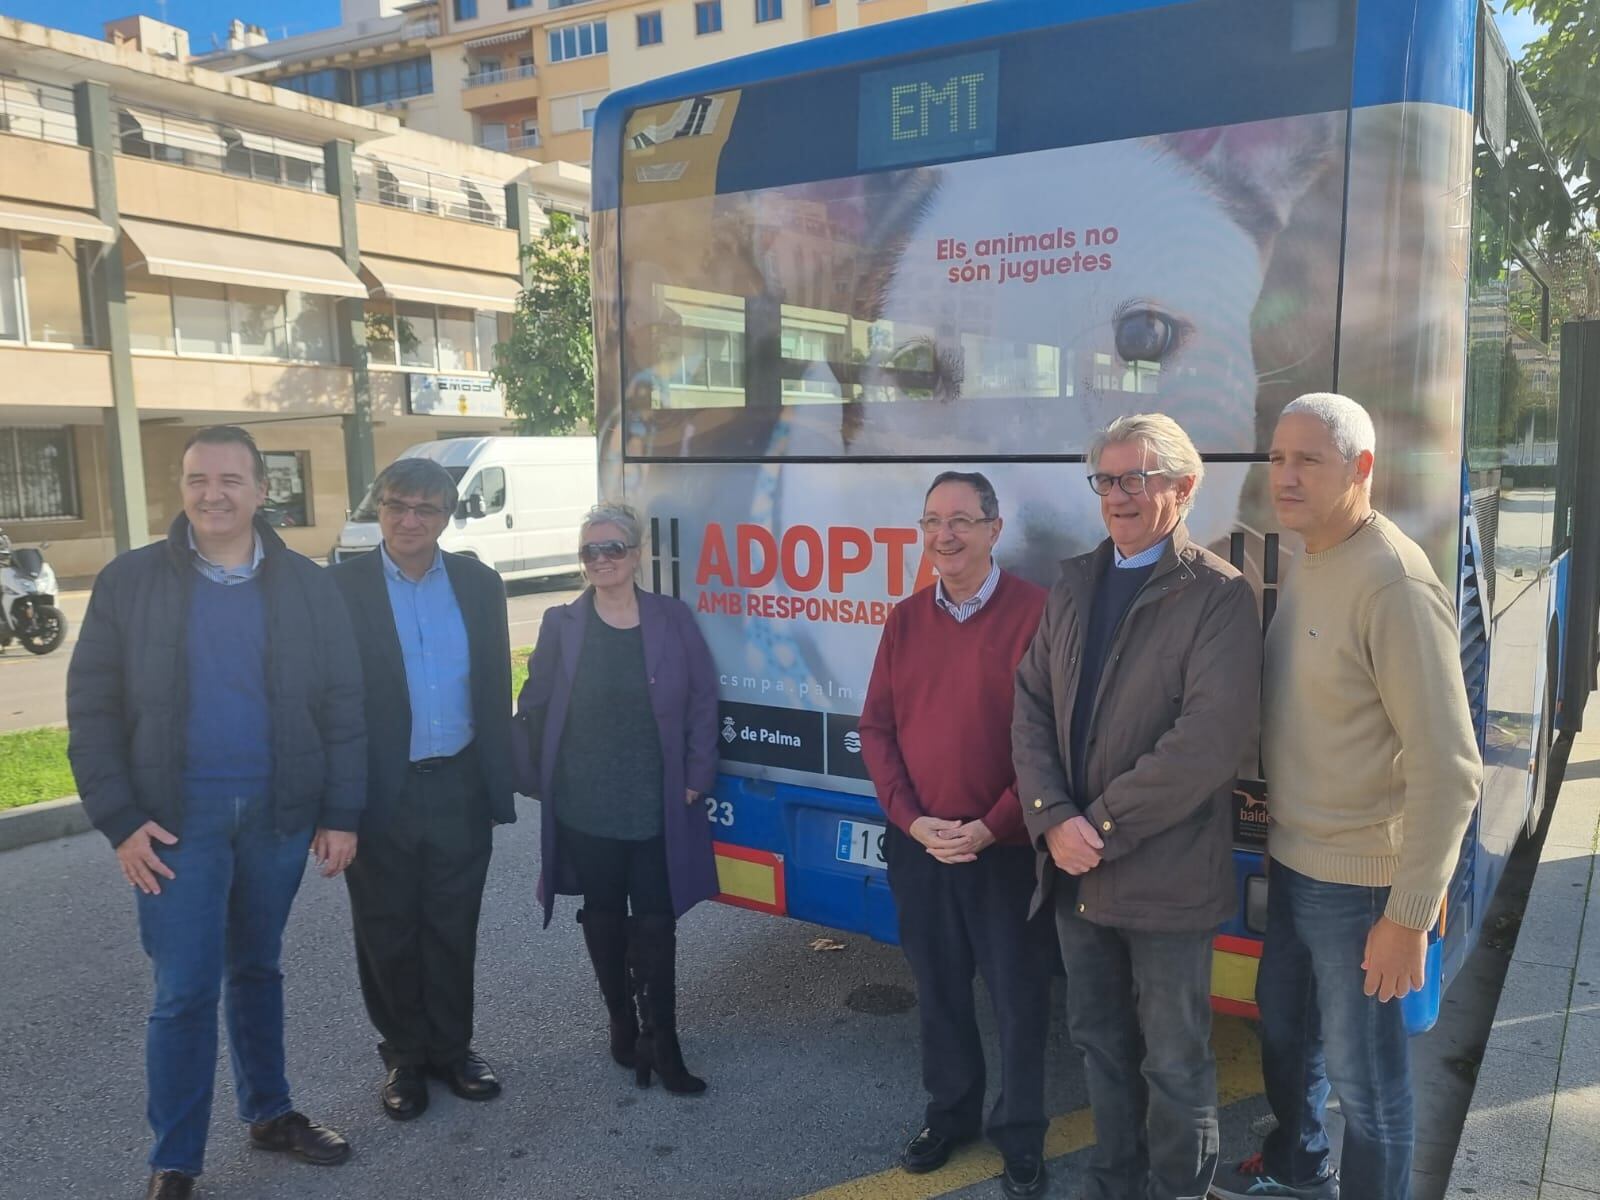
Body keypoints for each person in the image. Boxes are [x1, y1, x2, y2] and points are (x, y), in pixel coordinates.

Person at [66, 426, 365, 1200]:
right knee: (184, 991)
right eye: (199, 479)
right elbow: (92, 710)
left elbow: (342, 705)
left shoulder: (306, 584)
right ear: (182, 486)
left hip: (276, 815)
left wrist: (340, 811)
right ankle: (176, 1159)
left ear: (263, 491)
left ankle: (270, 1112)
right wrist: (119, 821)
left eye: (231, 480)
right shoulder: (129, 582)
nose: (213, 494)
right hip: (174, 823)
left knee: (257, 967)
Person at [1212, 394, 1481, 1200]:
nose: (1285, 477)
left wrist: (1406, 915)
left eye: (1308, 461)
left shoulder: (1393, 582)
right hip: (1295, 860)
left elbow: (1451, 764)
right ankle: (1298, 1169)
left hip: (1361, 882)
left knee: (1371, 1092)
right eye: (1278, 458)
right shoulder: (1314, 556)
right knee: (1289, 1040)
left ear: (1361, 470)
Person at [1012, 414, 1261, 1200]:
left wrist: (1099, 828)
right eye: (1107, 480)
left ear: (1184, 489)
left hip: (1162, 879)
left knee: (1176, 1059)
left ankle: (1178, 1192)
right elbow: (1029, 705)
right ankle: (1114, 1184)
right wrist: (1053, 817)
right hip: (1075, 871)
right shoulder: (1076, 580)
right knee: (1099, 1046)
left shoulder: (1217, 595)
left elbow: (1209, 741)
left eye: (1137, 478)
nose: (1118, 496)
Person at [859, 471, 1053, 1200]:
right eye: (934, 520)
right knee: (939, 992)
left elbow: (1052, 743)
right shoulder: (905, 619)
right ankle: (951, 1116)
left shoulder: (1035, 613)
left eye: (962, 520)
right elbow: (876, 729)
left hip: (1003, 852)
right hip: (922, 848)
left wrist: (991, 824)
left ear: (994, 529)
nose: (945, 534)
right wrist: (913, 821)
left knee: (1019, 1001)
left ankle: (1023, 1138)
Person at [329, 458, 517, 1121]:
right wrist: (336, 809)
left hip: (459, 784)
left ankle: (453, 1050)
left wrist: (501, 778)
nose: (410, 520)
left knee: (451, 926)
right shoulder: (343, 588)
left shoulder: (477, 582)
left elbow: (496, 688)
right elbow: (325, 702)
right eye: (397, 505)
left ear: (447, 516)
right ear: (377, 508)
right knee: (386, 931)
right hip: (381, 792)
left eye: (427, 509)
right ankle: (406, 1057)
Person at [514, 502, 720, 1094]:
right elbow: (536, 699)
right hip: (587, 800)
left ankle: (666, 1041)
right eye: (590, 551)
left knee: (656, 923)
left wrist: (698, 773)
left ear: (636, 555)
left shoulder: (672, 618)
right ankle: (621, 1025)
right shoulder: (561, 623)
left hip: (658, 798)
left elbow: (705, 698)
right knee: (603, 917)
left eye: (613, 548)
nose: (601, 560)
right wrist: (532, 767)